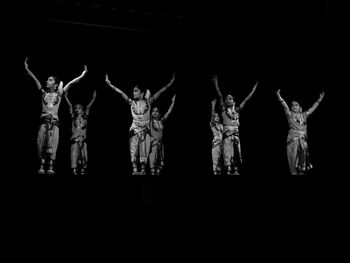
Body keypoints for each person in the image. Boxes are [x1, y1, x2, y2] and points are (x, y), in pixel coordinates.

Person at [24, 57, 87, 175]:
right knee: (41, 143)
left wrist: (82, 75)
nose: (47, 81)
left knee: (53, 144)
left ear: (56, 84)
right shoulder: (44, 93)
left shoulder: (59, 94)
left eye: (50, 80)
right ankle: (42, 165)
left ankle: (51, 166)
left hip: (54, 123)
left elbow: (72, 82)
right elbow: (35, 80)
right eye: (48, 80)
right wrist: (27, 69)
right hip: (43, 122)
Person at [105, 73, 175, 175]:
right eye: (133, 91)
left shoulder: (149, 102)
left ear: (142, 93)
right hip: (134, 129)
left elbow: (160, 92)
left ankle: (142, 170)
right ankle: (134, 170)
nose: (133, 93)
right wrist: (110, 84)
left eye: (136, 91)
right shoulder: (131, 102)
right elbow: (121, 93)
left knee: (144, 149)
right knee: (133, 149)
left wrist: (170, 83)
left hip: (145, 130)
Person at [212, 75, 258, 175]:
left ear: (234, 101)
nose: (227, 99)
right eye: (226, 98)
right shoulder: (223, 110)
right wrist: (216, 84)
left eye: (230, 98)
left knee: (236, 154)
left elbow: (246, 99)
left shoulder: (237, 111)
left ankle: (236, 171)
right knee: (227, 155)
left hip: (236, 136)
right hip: (227, 136)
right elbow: (219, 95)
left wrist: (253, 90)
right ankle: (228, 171)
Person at [276, 89, 325, 175]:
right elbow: (285, 106)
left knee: (301, 169)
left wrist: (319, 99)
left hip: (303, 144)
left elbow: (313, 108)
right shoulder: (290, 115)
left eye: (296, 105)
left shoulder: (304, 115)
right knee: (294, 169)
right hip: (293, 142)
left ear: (300, 108)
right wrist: (279, 97)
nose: (293, 107)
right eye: (292, 105)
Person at [64, 90, 96, 175]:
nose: (77, 109)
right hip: (74, 139)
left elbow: (88, 107)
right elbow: (70, 105)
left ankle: (83, 170)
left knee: (84, 155)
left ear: (82, 109)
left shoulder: (85, 116)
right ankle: (74, 171)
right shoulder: (73, 117)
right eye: (76, 108)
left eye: (79, 108)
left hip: (83, 139)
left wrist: (94, 98)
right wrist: (66, 97)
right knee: (74, 155)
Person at [148, 94, 176, 175]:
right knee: (153, 161)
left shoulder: (161, 121)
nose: (155, 112)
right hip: (153, 143)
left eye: (156, 111)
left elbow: (169, 112)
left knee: (159, 164)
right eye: (153, 111)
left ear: (159, 113)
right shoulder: (149, 121)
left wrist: (173, 102)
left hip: (160, 144)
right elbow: (146, 109)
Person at [210, 99, 224, 175]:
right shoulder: (212, 124)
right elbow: (212, 117)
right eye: (215, 116)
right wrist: (213, 107)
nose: (217, 117)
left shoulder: (222, 125)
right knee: (215, 162)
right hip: (216, 144)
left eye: (218, 116)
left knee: (220, 163)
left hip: (222, 145)